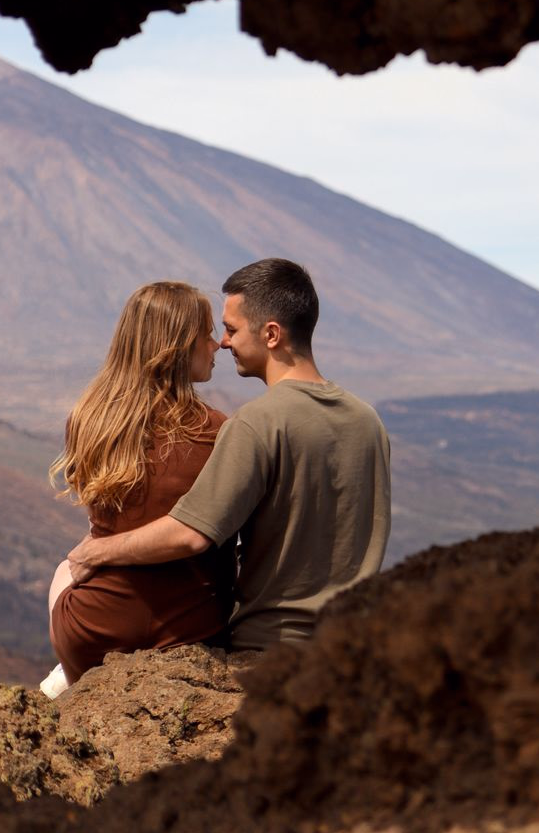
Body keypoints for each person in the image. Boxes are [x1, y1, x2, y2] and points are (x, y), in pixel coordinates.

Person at [67, 258, 391, 650]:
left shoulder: (256, 424)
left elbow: (190, 534)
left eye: (231, 329)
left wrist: (96, 551)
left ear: (271, 334)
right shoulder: (367, 420)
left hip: (270, 649)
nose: (223, 342)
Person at [44, 280, 234, 689]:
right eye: (207, 334)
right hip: (190, 630)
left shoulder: (91, 418)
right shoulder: (218, 431)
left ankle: (72, 687)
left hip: (93, 631)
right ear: (179, 345)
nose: (217, 345)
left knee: (66, 567)